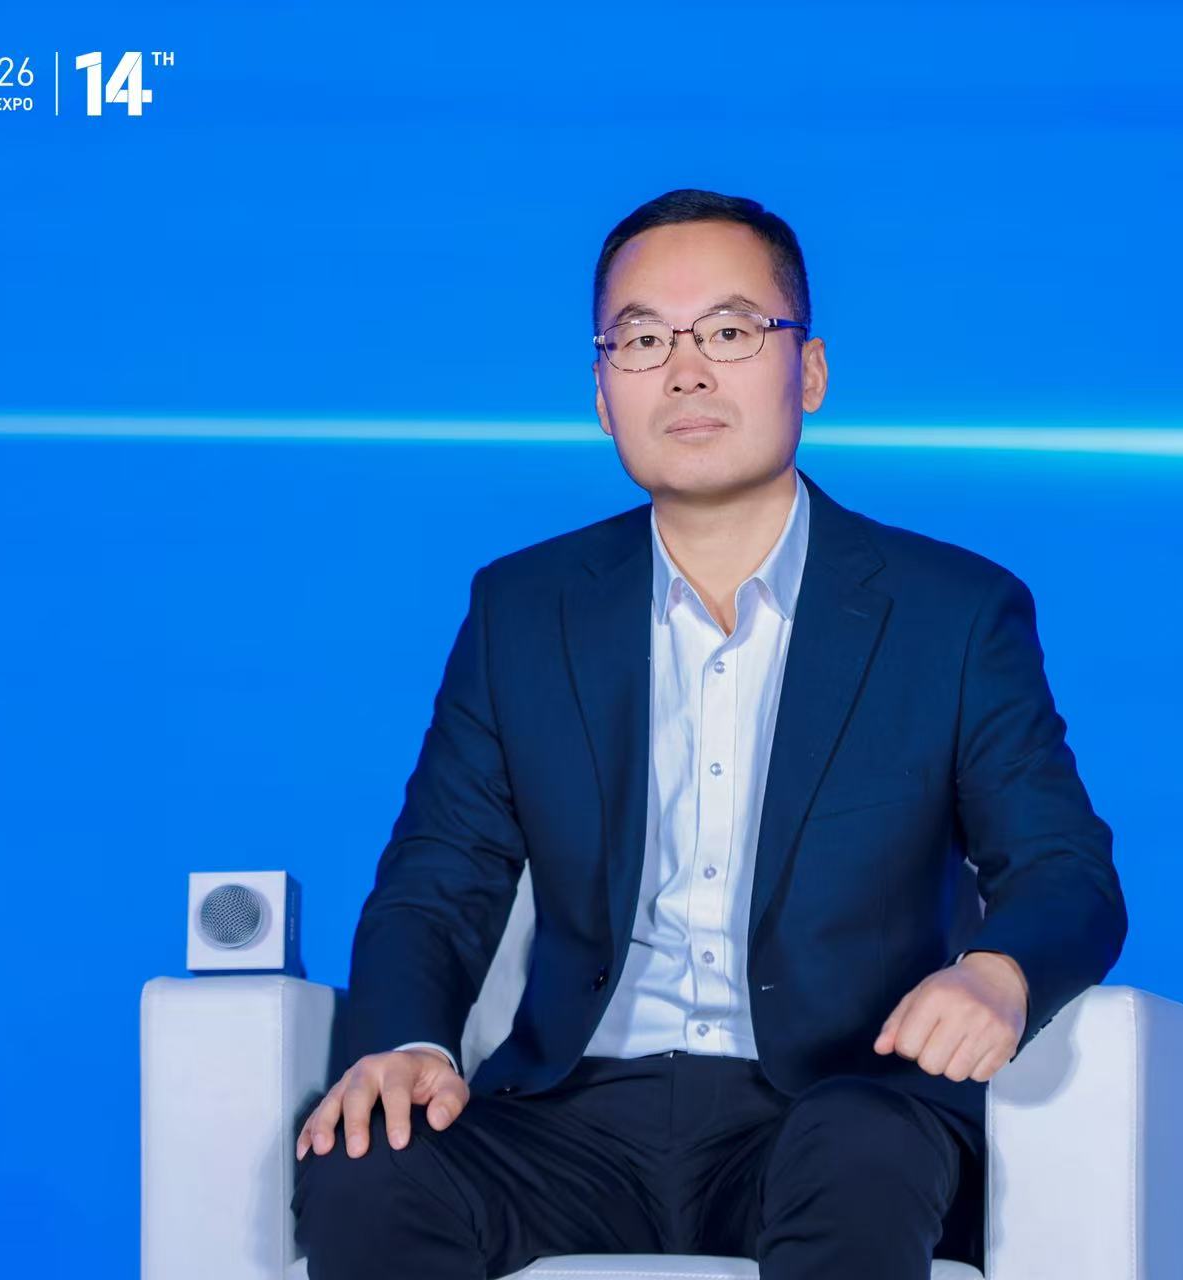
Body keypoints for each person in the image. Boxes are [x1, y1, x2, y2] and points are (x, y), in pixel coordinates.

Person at [290, 188, 1128, 1279]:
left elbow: (1065, 870)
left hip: (835, 1105)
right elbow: (436, 882)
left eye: (730, 331)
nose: (684, 371)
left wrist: (998, 972)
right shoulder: (522, 610)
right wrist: (406, 1045)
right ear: (602, 393)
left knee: (860, 1151)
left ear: (808, 372)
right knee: (367, 1161)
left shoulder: (952, 613)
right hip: (571, 1115)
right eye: (642, 340)